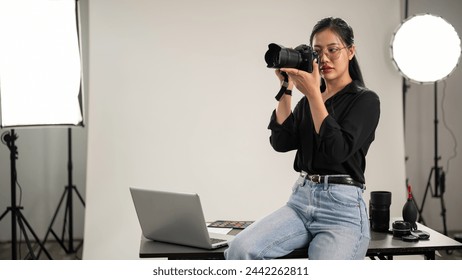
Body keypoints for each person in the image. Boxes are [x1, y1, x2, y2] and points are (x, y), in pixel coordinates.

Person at [224, 17, 380, 260]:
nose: (325, 58)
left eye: (333, 50)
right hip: (301, 201)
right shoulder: (310, 99)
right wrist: (287, 88)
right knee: (240, 250)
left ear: (350, 51)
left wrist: (313, 94)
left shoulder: (365, 101)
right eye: (318, 52)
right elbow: (281, 142)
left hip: (342, 210)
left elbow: (336, 151)